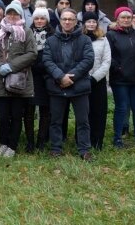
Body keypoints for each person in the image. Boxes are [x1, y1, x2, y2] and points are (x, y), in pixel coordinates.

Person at [0, 1, 36, 158]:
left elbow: (32, 53)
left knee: (15, 116)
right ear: (6, 15)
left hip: (18, 82)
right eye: (10, 13)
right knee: (1, 116)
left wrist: (12, 66)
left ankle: (12, 146)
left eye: (15, 14)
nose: (12, 16)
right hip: (0, 80)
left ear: (20, 15)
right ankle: (3, 143)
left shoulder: (26, 32)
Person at [43, 8, 94, 160]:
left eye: (70, 19)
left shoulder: (85, 40)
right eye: (64, 19)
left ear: (75, 22)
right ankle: (56, 148)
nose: (67, 22)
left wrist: (71, 77)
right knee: (56, 121)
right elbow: (47, 60)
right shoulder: (51, 40)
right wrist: (60, 77)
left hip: (79, 86)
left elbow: (88, 60)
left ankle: (84, 150)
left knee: (83, 121)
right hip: (57, 86)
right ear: (60, 21)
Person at [106, 6, 135, 150]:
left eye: (128, 17)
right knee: (121, 109)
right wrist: (118, 68)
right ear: (117, 19)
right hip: (120, 80)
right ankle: (117, 138)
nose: (126, 20)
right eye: (123, 17)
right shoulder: (111, 35)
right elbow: (109, 57)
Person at [81, 11, 112, 151]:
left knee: (98, 112)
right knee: (84, 112)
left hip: (97, 81)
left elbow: (106, 61)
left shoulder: (103, 39)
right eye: (89, 21)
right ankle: (82, 140)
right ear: (84, 23)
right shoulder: (79, 38)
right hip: (82, 79)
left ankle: (97, 141)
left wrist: (94, 77)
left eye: (94, 21)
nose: (91, 24)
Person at [30, 7, 53, 150]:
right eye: (36, 18)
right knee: (29, 111)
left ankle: (41, 141)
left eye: (42, 18)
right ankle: (30, 142)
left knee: (45, 111)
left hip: (46, 76)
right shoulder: (27, 33)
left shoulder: (53, 34)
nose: (39, 21)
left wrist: (42, 65)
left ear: (47, 20)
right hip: (30, 75)